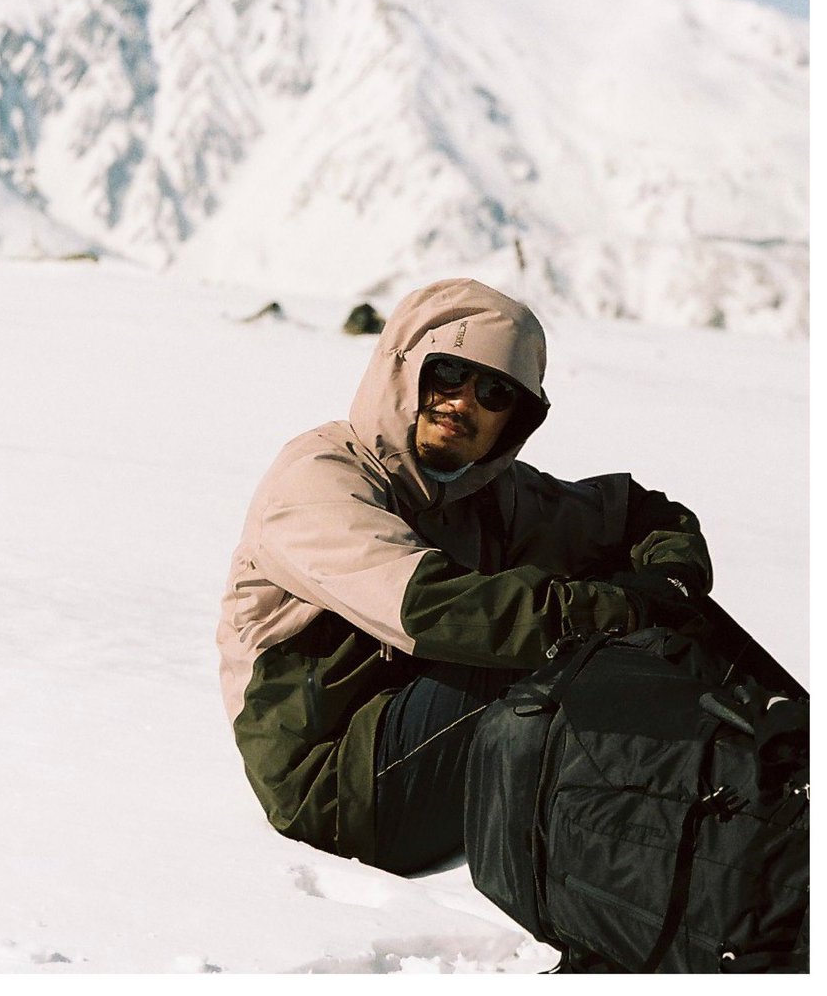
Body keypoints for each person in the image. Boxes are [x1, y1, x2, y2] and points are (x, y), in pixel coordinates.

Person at [217, 278, 712, 875]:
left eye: (496, 391)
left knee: (643, 622)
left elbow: (634, 514)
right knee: (558, 642)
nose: (463, 401)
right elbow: (431, 608)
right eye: (448, 373)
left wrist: (674, 581)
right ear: (402, 369)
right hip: (337, 786)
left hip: (419, 734)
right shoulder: (317, 480)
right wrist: (623, 612)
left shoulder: (483, 492)